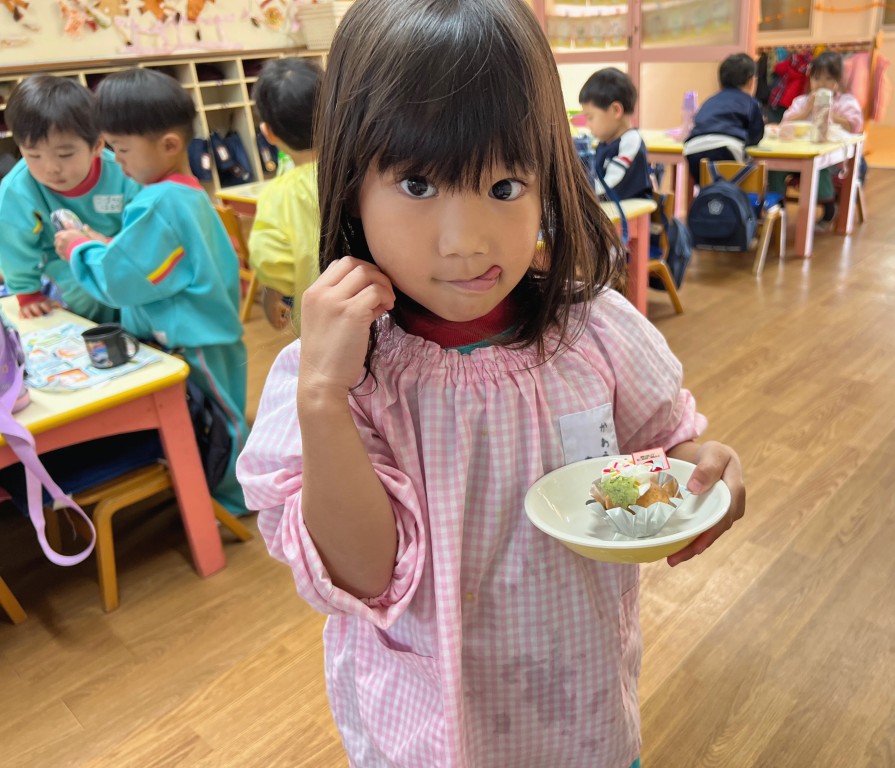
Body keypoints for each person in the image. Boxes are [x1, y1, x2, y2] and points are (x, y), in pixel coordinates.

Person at [237, 1, 746, 765]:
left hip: (580, 718)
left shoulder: (594, 332)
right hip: (430, 733)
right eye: (417, 184)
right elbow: (365, 574)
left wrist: (705, 473)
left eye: (505, 187)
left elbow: (656, 463)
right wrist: (322, 398)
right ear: (348, 185)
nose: (466, 242)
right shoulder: (342, 375)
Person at [52, 68, 250, 516]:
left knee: (222, 420)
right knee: (222, 414)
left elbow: (120, 280)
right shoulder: (180, 194)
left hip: (195, 340)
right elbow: (154, 263)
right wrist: (105, 245)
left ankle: (235, 499)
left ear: (169, 145)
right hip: (203, 334)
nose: (116, 161)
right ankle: (224, 489)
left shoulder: (158, 202)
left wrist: (79, 248)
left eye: (122, 149)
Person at [0, 75, 140, 321]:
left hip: (120, 254)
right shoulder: (17, 190)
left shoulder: (125, 173)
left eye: (65, 154)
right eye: (33, 155)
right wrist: (28, 294)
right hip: (60, 263)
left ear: (97, 145)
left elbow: (146, 233)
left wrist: (108, 247)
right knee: (86, 296)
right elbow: (14, 248)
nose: (51, 169)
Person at [248, 57, 323, 331]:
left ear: (268, 133)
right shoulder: (368, 171)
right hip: (392, 314)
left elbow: (272, 262)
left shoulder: (279, 195)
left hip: (322, 324)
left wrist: (271, 298)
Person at [768, 51, 864, 228]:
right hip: (798, 155)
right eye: (817, 78)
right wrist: (807, 110)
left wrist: (828, 111)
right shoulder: (801, 101)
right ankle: (777, 210)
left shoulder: (846, 102)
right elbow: (785, 124)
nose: (821, 84)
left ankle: (828, 208)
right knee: (775, 168)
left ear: (837, 81)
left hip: (833, 161)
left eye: (828, 78)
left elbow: (854, 127)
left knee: (819, 166)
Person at [684, 52, 765, 181]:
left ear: (720, 82)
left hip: (692, 150)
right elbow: (756, 135)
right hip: (726, 148)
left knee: (708, 186)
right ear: (751, 82)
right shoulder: (750, 102)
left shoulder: (710, 101)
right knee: (739, 183)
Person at [579, 67, 653, 200]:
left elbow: (609, 188)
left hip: (630, 212)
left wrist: (580, 193)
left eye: (590, 117)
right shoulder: (605, 143)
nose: (588, 125)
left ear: (616, 110)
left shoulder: (630, 143)